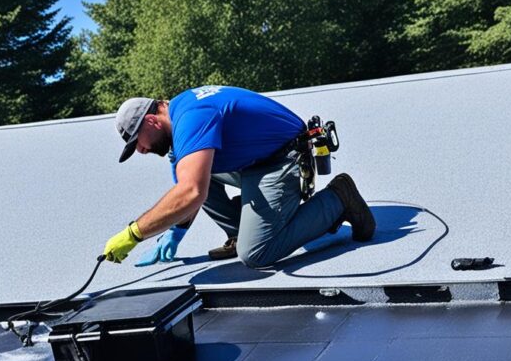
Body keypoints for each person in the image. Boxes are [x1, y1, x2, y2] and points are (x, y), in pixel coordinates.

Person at [102, 86, 374, 267]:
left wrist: (133, 234)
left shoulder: (192, 117)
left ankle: (339, 198)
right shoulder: (179, 117)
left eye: (137, 142)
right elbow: (187, 187)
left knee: (256, 253)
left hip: (282, 158)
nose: (140, 150)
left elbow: (191, 192)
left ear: (151, 122)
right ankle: (239, 230)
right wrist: (176, 231)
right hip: (256, 159)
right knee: (189, 170)